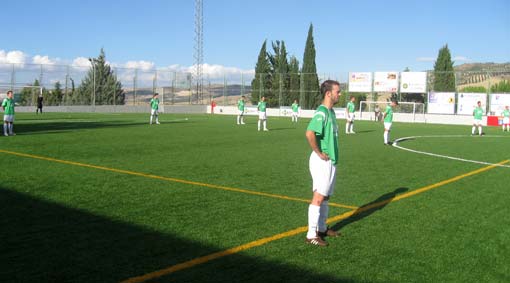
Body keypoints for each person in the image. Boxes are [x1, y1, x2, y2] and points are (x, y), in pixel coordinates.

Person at [305, 80, 341, 247]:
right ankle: (311, 234)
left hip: (331, 160)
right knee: (318, 197)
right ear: (328, 93)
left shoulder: (331, 112)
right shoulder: (322, 112)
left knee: (326, 196)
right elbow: (309, 133)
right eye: (337, 92)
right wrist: (319, 152)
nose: (339, 94)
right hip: (322, 161)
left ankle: (322, 228)